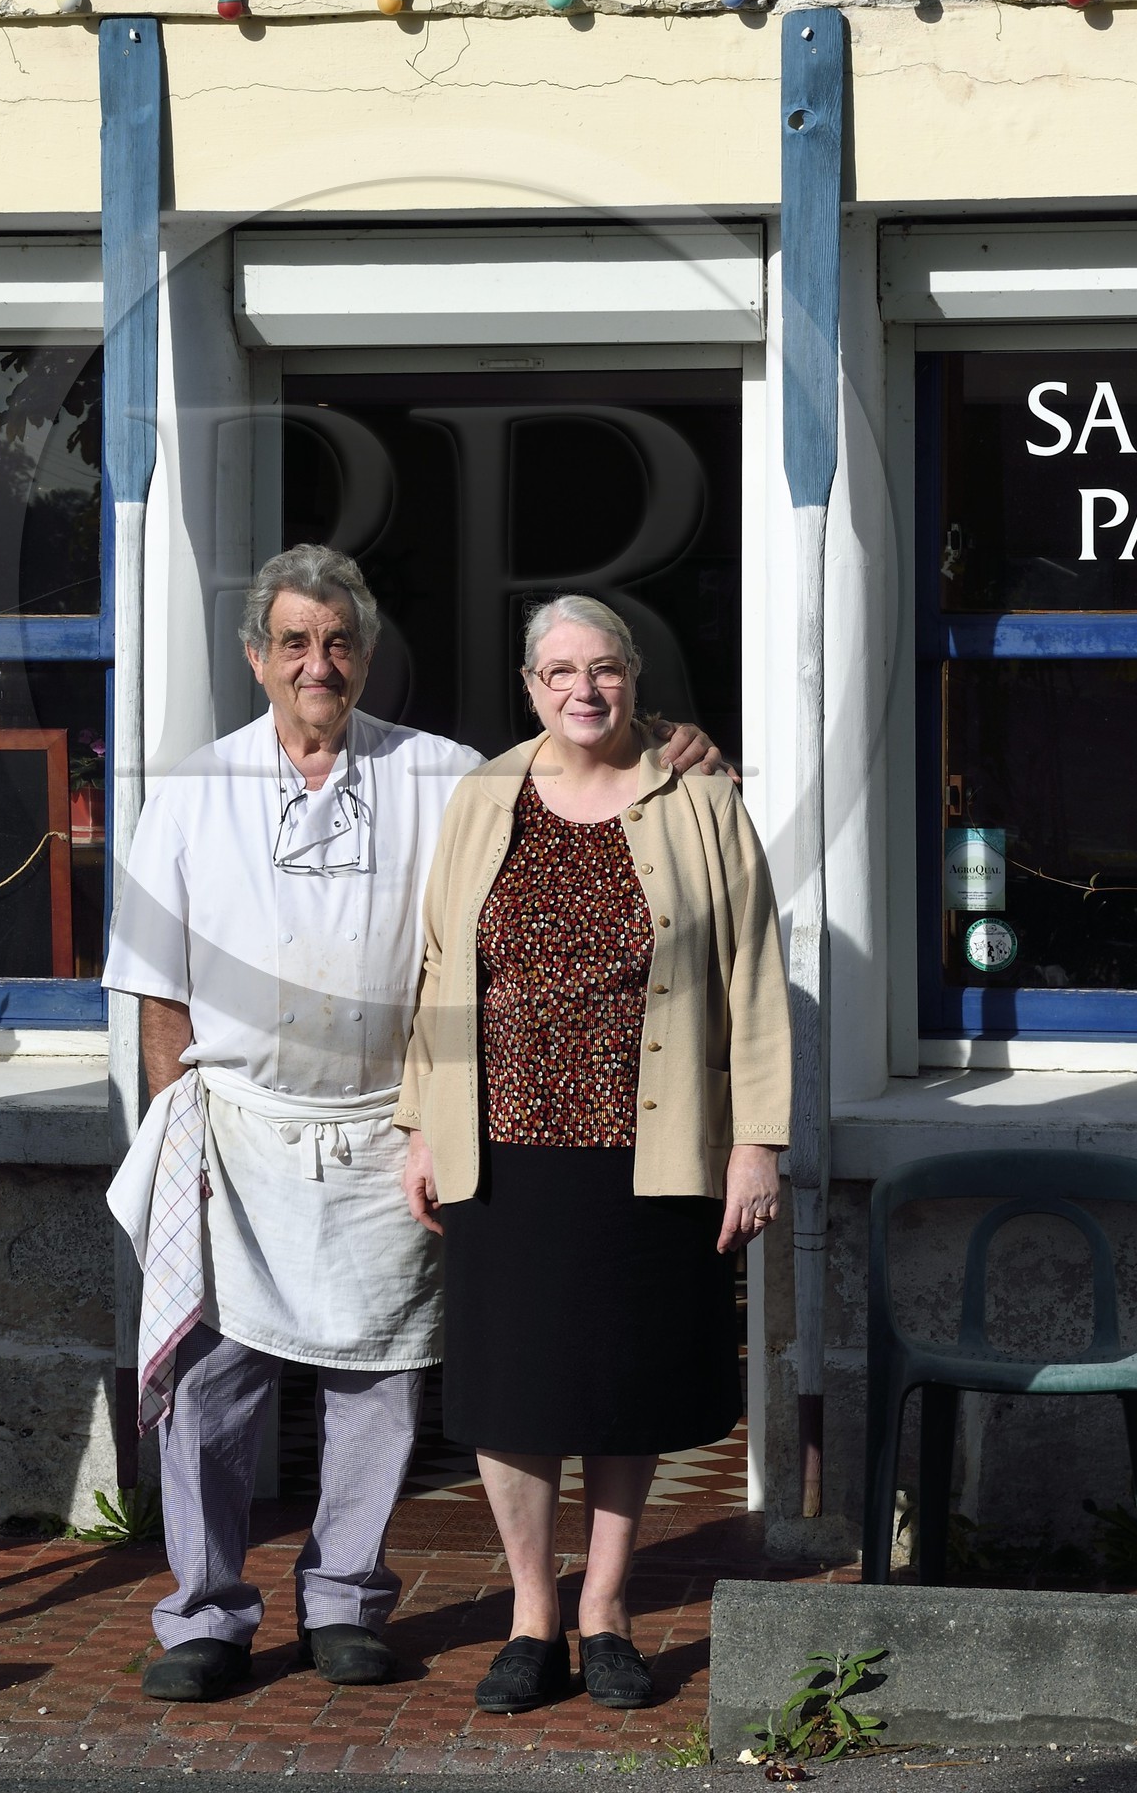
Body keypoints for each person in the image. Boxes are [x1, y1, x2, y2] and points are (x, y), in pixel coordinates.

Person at [102, 545, 726, 1705]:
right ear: (255, 658)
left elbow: (578, 762)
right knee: (213, 1386)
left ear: (369, 654)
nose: (318, 664)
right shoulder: (189, 792)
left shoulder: (443, 775)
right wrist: (172, 1130)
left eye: (338, 642)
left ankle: (345, 1602)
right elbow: (153, 989)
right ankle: (205, 1613)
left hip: (387, 1131)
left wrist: (674, 740)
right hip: (234, 1129)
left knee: (378, 1385)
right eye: (294, 643)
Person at [396, 593, 791, 1715]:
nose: (584, 689)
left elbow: (754, 976)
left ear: (633, 677)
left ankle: (606, 1609)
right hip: (500, 1143)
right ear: (529, 686)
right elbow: (440, 965)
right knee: (510, 1390)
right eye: (560, 671)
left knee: (629, 1382)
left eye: (604, 668)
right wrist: (421, 1123)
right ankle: (532, 1617)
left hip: (649, 1144)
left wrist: (755, 1142)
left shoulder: (699, 796)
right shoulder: (485, 796)